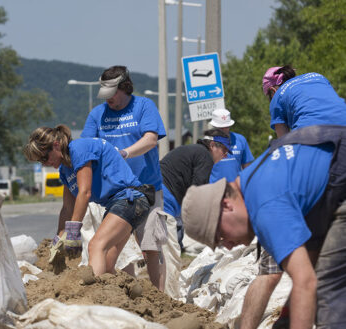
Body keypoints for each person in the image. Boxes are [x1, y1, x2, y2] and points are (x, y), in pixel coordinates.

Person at [181, 124, 346, 329]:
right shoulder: (253, 182)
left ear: (226, 205)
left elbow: (306, 283)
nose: (229, 246)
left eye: (221, 236)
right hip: (331, 188)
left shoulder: (265, 205)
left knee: (327, 292)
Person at [235, 66, 346, 329]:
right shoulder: (320, 78)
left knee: (271, 271)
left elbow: (285, 147)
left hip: (314, 168)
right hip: (337, 168)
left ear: (271, 90)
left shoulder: (278, 98)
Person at [81, 65, 168, 291]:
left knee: (151, 247)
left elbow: (151, 139)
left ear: (125, 88)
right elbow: (87, 148)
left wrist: (124, 153)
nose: (108, 100)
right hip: (115, 195)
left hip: (147, 189)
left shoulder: (144, 106)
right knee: (115, 248)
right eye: (105, 96)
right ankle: (124, 293)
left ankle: (160, 298)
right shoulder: (97, 115)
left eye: (112, 95)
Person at [24, 125, 151, 276]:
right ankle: (128, 294)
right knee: (108, 266)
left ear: (56, 145)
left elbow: (84, 192)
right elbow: (67, 208)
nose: (45, 163)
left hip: (130, 200)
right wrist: (59, 238)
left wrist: (72, 233)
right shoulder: (65, 170)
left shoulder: (78, 149)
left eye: (45, 157)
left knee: (96, 246)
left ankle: (91, 296)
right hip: (119, 205)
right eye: (40, 161)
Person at [161, 128, 231, 250]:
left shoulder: (197, 151)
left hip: (164, 191)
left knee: (170, 241)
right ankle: (165, 269)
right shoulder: (205, 156)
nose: (225, 155)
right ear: (213, 145)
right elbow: (198, 191)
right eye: (224, 150)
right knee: (168, 247)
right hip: (166, 194)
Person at [262, 65, 346, 138]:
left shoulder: (277, 96)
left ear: (272, 91)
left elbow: (284, 145)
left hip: (310, 131)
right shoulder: (318, 76)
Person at [208, 109, 254, 183]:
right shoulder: (207, 142)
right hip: (214, 190)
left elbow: (247, 168)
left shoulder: (240, 139)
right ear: (214, 126)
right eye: (220, 127)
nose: (224, 130)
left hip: (235, 189)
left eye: (226, 127)